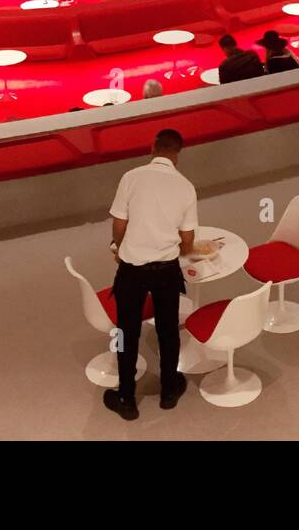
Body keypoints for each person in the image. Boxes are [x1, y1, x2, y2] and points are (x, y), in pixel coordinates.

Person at [104, 128, 196, 420]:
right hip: (167, 270)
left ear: (152, 146)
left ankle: (126, 397)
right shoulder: (186, 187)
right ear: (178, 154)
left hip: (132, 268)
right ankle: (169, 390)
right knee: (168, 330)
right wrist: (178, 246)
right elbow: (188, 239)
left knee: (126, 332)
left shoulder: (131, 177)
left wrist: (119, 247)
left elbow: (119, 224)